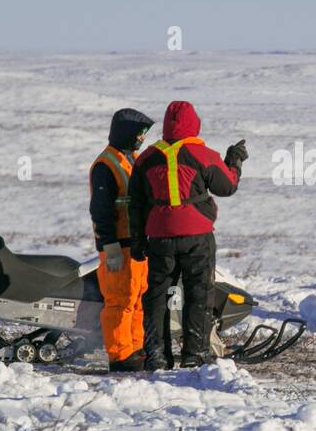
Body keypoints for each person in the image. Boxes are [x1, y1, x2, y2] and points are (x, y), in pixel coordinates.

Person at [128, 100, 246, 369]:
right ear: (194, 124)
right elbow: (227, 187)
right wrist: (235, 160)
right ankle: (195, 354)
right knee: (199, 293)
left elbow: (135, 204)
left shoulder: (146, 158)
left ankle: (157, 355)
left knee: (158, 296)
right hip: (197, 237)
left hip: (159, 238)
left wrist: (137, 241)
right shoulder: (202, 154)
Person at [89, 107, 154, 372]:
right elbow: (100, 210)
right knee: (119, 301)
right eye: (139, 133)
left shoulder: (131, 159)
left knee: (137, 298)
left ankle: (135, 348)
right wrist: (109, 245)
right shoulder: (106, 164)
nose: (142, 138)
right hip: (118, 246)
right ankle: (119, 355)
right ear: (127, 132)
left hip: (136, 245)